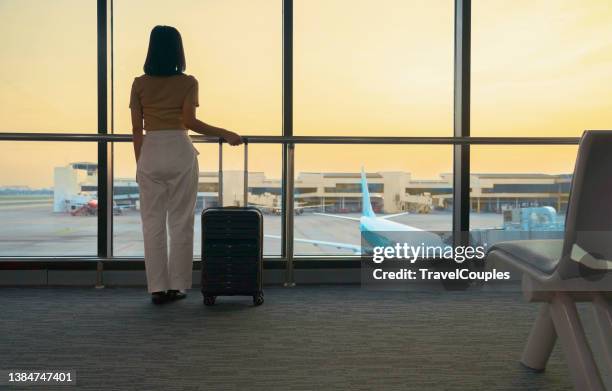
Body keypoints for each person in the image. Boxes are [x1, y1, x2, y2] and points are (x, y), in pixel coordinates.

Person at [130, 25, 242, 305]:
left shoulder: (139, 83)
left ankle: (157, 287)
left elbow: (136, 130)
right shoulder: (188, 82)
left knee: (152, 223)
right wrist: (225, 133)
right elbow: (190, 122)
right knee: (180, 221)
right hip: (179, 150)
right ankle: (178, 285)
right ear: (178, 49)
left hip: (151, 150)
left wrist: (140, 163)